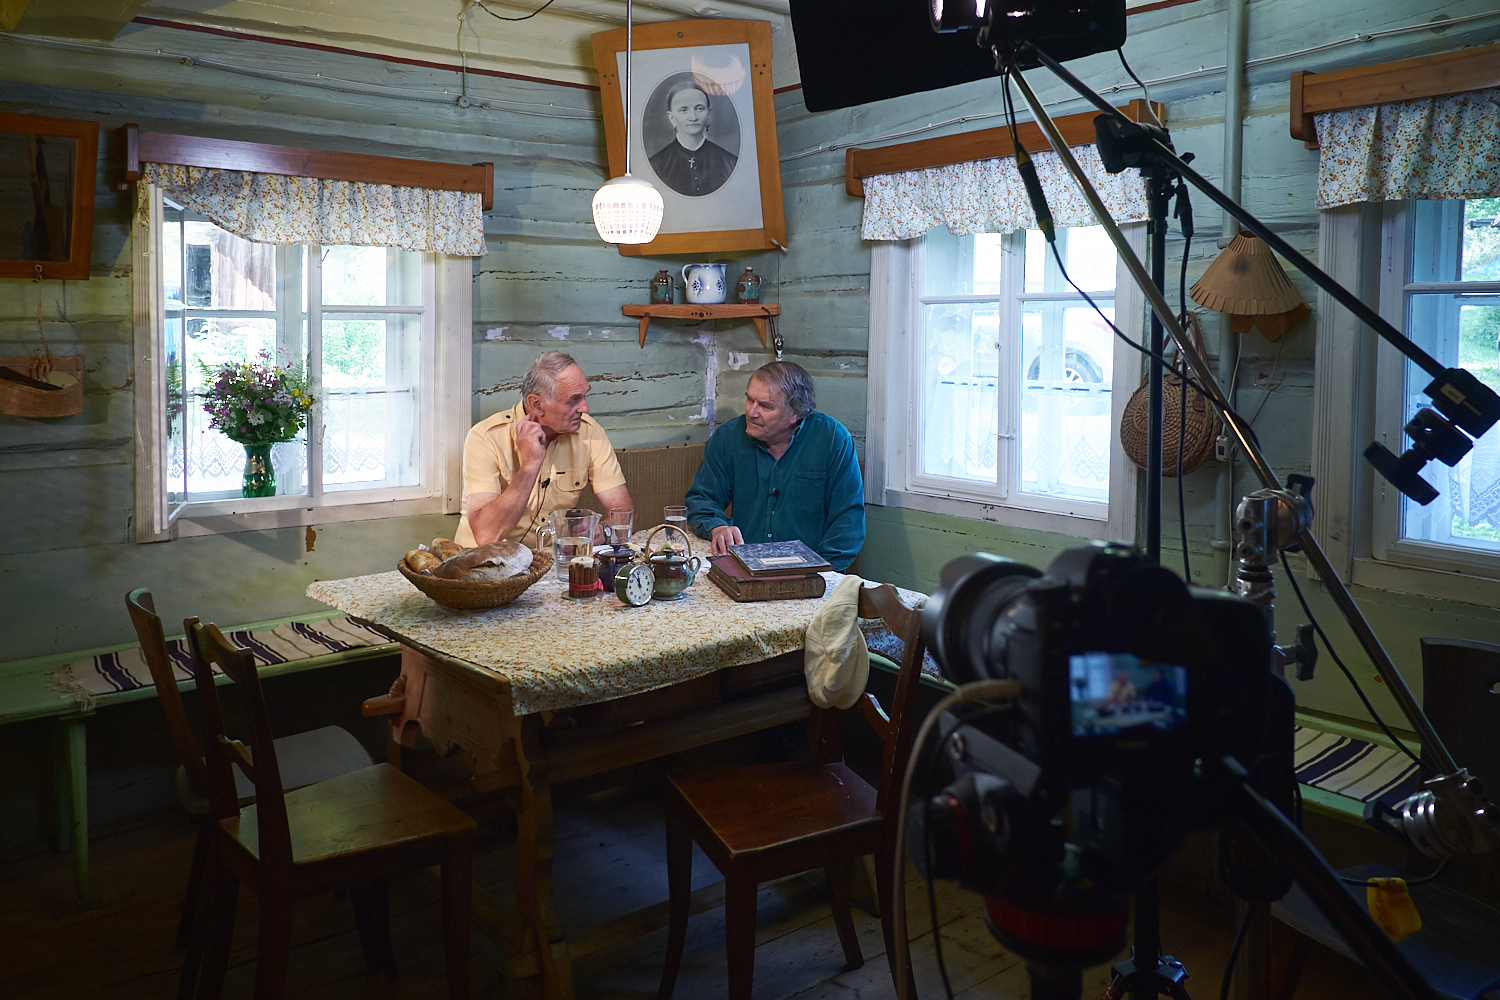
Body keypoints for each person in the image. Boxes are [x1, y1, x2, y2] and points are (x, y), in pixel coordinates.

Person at [685, 361, 864, 571]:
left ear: (795, 413)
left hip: (812, 570)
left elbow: (848, 523)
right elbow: (702, 499)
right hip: (744, 566)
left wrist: (821, 572)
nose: (752, 412)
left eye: (765, 406)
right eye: (749, 399)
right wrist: (717, 526)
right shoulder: (727, 438)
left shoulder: (833, 440)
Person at [455, 351, 634, 548]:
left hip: (550, 560)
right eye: (573, 400)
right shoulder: (485, 437)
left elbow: (625, 513)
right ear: (537, 404)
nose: (585, 408)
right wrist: (530, 465)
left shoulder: (589, 432)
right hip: (482, 560)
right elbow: (486, 535)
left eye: (584, 396)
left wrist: (603, 531)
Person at [647, 82, 737, 198]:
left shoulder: (730, 163)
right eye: (684, 110)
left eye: (699, 109)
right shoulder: (656, 165)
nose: (693, 117)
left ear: (708, 113)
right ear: (671, 117)